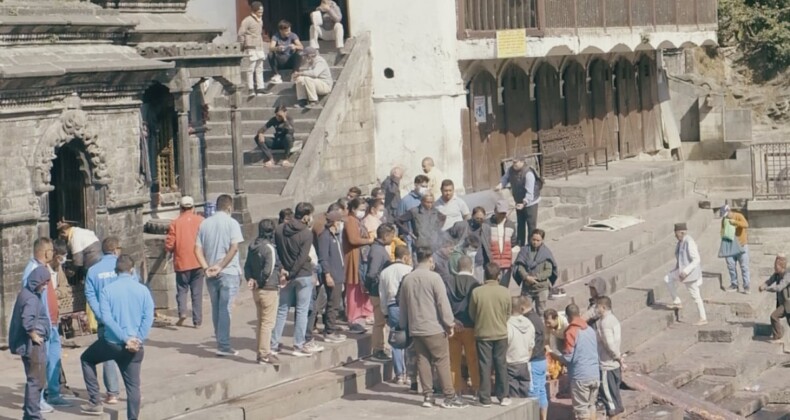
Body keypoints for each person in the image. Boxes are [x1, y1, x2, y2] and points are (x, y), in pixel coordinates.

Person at [79, 255, 154, 419]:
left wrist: (125, 338)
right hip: (135, 346)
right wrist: (137, 339)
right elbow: (148, 318)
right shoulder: (143, 290)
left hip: (112, 343)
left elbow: (107, 319)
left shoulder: (107, 291)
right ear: (132, 271)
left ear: (115, 271)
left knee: (86, 359)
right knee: (133, 387)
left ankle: (94, 401)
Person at [399, 246, 468, 409]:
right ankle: (449, 396)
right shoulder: (434, 278)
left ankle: (427, 396)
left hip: (416, 328)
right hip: (434, 328)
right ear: (430, 260)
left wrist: (403, 326)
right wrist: (450, 323)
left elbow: (403, 306)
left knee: (422, 361)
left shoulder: (407, 279)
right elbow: (442, 303)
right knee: (442, 361)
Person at [195, 194, 244, 356]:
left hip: (210, 272)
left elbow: (197, 250)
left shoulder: (204, 224)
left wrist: (206, 267)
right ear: (229, 208)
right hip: (227, 271)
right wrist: (220, 266)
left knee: (216, 308)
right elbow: (234, 248)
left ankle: (220, 340)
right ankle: (223, 345)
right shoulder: (232, 223)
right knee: (225, 308)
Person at [9, 238, 53, 420]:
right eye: (44, 283)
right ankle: (33, 415)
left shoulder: (29, 293)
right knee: (36, 381)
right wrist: (34, 335)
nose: (45, 287)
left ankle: (30, 414)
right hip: (33, 346)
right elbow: (27, 321)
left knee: (34, 381)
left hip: (33, 344)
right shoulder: (31, 298)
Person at [272, 202, 316, 356]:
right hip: (302, 274)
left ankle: (273, 343)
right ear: (305, 216)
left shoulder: (279, 229)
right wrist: (292, 273)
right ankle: (298, 345)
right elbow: (302, 258)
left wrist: (284, 270)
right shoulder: (306, 233)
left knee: (282, 310)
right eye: (310, 215)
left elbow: (277, 252)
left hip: (285, 274)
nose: (311, 218)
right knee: (302, 311)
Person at [84, 237, 123, 405]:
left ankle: (112, 393)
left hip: (105, 321)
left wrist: (100, 315)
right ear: (116, 250)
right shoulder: (124, 266)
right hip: (123, 318)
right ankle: (133, 390)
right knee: (130, 354)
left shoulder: (93, 271)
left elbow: (90, 295)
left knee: (108, 356)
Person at [469, 263, 512, 407]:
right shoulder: (505, 292)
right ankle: (503, 396)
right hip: (501, 333)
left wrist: (481, 322)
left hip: (483, 334)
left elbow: (472, 313)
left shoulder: (476, 292)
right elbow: (508, 313)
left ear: (484, 275)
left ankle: (485, 398)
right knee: (501, 364)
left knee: (484, 365)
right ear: (498, 275)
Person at [245, 219, 283, 365]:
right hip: (269, 289)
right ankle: (265, 353)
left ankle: (261, 352)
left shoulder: (252, 246)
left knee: (261, 321)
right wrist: (260, 281)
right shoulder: (269, 249)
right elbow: (268, 270)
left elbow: (247, 266)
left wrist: (251, 279)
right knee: (268, 323)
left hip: (257, 291)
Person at [165, 196, 205, 328]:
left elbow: (170, 243)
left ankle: (182, 311)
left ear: (180, 208)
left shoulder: (175, 223)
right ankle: (197, 321)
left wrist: (168, 251)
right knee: (197, 292)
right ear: (193, 208)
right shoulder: (201, 221)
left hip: (181, 261)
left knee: (182, 289)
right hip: (198, 261)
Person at [557, 304, 600, 420]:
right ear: (579, 313)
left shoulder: (571, 331)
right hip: (595, 374)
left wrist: (556, 356)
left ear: (567, 317)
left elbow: (568, 357)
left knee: (581, 411)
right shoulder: (590, 330)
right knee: (591, 406)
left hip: (580, 376)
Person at [446, 255, 481, 396]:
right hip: (470, 326)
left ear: (457, 267)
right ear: (471, 267)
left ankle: (455, 389)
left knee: (454, 361)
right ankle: (476, 387)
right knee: (472, 359)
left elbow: (445, 304)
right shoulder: (475, 283)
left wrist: (453, 320)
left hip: (453, 326)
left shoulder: (449, 282)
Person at [379, 245, 413, 384]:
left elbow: (382, 295)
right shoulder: (409, 270)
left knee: (396, 341)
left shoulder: (385, 272)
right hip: (408, 307)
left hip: (392, 307)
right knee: (410, 340)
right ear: (405, 257)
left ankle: (399, 374)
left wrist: (385, 313)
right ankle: (410, 375)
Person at [664, 222, 708, 326]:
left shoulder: (689, 242)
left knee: (696, 296)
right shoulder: (681, 242)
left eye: (676, 233)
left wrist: (686, 271)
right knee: (667, 278)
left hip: (690, 274)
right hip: (681, 271)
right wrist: (676, 269)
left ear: (682, 232)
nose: (675, 236)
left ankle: (703, 318)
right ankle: (677, 301)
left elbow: (696, 259)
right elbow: (680, 258)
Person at [44, 240, 71, 407]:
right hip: (45, 320)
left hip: (55, 317)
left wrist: (55, 294)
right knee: (45, 357)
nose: (63, 260)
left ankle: (56, 389)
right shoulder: (41, 271)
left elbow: (65, 288)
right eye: (61, 257)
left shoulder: (58, 269)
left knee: (55, 354)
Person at [343, 198, 376, 333]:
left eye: (364, 209)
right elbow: (353, 239)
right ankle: (353, 316)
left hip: (362, 256)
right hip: (353, 256)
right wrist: (369, 240)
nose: (362, 212)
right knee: (353, 287)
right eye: (360, 209)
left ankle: (362, 313)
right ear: (353, 209)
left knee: (361, 286)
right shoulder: (350, 220)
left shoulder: (358, 220)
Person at [316, 209, 349, 344]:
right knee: (332, 304)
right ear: (335, 222)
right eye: (340, 221)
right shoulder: (325, 236)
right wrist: (327, 275)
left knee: (335, 303)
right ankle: (329, 331)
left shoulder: (334, 235)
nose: (341, 224)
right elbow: (323, 258)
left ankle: (332, 327)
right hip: (333, 275)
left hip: (339, 273)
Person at [494, 157, 542, 247]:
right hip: (518, 201)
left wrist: (524, 203)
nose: (514, 164)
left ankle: (531, 245)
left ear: (522, 162)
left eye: (516, 162)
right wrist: (500, 185)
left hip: (530, 202)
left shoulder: (528, 173)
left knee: (531, 224)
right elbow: (505, 178)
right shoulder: (511, 170)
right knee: (520, 223)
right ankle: (520, 244)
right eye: (513, 162)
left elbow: (529, 192)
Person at [366, 223, 397, 361]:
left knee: (382, 322)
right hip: (377, 291)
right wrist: (380, 283)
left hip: (378, 290)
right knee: (379, 322)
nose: (393, 238)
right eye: (391, 235)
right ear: (385, 236)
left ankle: (381, 347)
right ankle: (377, 349)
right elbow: (372, 273)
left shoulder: (379, 249)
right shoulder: (378, 251)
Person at [514, 229, 558, 315]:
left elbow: (549, 271)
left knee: (541, 313)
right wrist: (526, 277)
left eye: (538, 240)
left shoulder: (546, 253)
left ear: (542, 240)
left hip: (541, 288)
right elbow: (520, 266)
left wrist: (536, 277)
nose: (535, 242)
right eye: (533, 240)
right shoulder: (524, 251)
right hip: (527, 288)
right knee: (524, 312)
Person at [594, 296, 624, 420]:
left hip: (607, 366)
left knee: (611, 405)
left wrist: (618, 357)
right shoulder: (614, 319)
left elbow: (610, 345)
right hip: (614, 365)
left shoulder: (604, 323)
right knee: (615, 399)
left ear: (603, 307)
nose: (596, 309)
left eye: (597, 307)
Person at [480, 199, 517, 287]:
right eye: (500, 213)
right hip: (492, 264)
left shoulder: (511, 225)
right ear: (495, 211)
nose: (502, 215)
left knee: (504, 289)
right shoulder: (487, 224)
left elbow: (513, 242)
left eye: (504, 213)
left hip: (506, 264)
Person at [524, 291, 549, 420]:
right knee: (542, 391)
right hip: (541, 359)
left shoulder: (529, 321)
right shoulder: (537, 318)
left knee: (533, 393)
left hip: (533, 360)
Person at [507, 296, 536, 399]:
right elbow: (531, 346)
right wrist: (526, 359)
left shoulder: (507, 324)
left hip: (510, 363)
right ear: (521, 308)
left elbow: (505, 344)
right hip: (524, 363)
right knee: (525, 397)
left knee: (514, 399)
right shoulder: (529, 324)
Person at [758, 254, 790, 344]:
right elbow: (770, 281)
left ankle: (778, 336)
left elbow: (779, 287)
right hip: (783, 303)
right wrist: (764, 285)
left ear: (782, 266)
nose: (774, 267)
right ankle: (779, 334)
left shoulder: (788, 275)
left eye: (776, 266)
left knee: (774, 316)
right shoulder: (777, 274)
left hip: (788, 304)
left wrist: (766, 289)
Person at [720, 205, 750, 293]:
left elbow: (746, 224)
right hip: (730, 246)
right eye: (724, 215)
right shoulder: (724, 219)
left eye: (726, 214)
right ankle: (734, 285)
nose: (726, 216)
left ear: (729, 211)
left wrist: (735, 222)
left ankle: (746, 286)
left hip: (741, 245)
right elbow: (722, 231)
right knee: (731, 266)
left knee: (744, 267)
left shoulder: (738, 216)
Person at [238, 1, 266, 95]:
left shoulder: (260, 20)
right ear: (254, 11)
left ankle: (260, 87)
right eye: (259, 11)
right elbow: (241, 33)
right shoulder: (247, 20)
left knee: (260, 67)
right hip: (251, 47)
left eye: (262, 11)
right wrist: (242, 45)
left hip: (259, 46)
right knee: (251, 68)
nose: (261, 13)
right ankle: (250, 88)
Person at [267, 20, 303, 85]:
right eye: (286, 31)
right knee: (270, 54)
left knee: (299, 53)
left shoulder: (293, 35)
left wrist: (295, 46)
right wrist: (277, 48)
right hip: (280, 61)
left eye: (289, 30)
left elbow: (301, 47)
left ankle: (294, 74)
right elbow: (270, 48)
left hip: (290, 60)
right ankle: (276, 75)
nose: (289, 32)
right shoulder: (276, 36)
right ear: (281, 31)